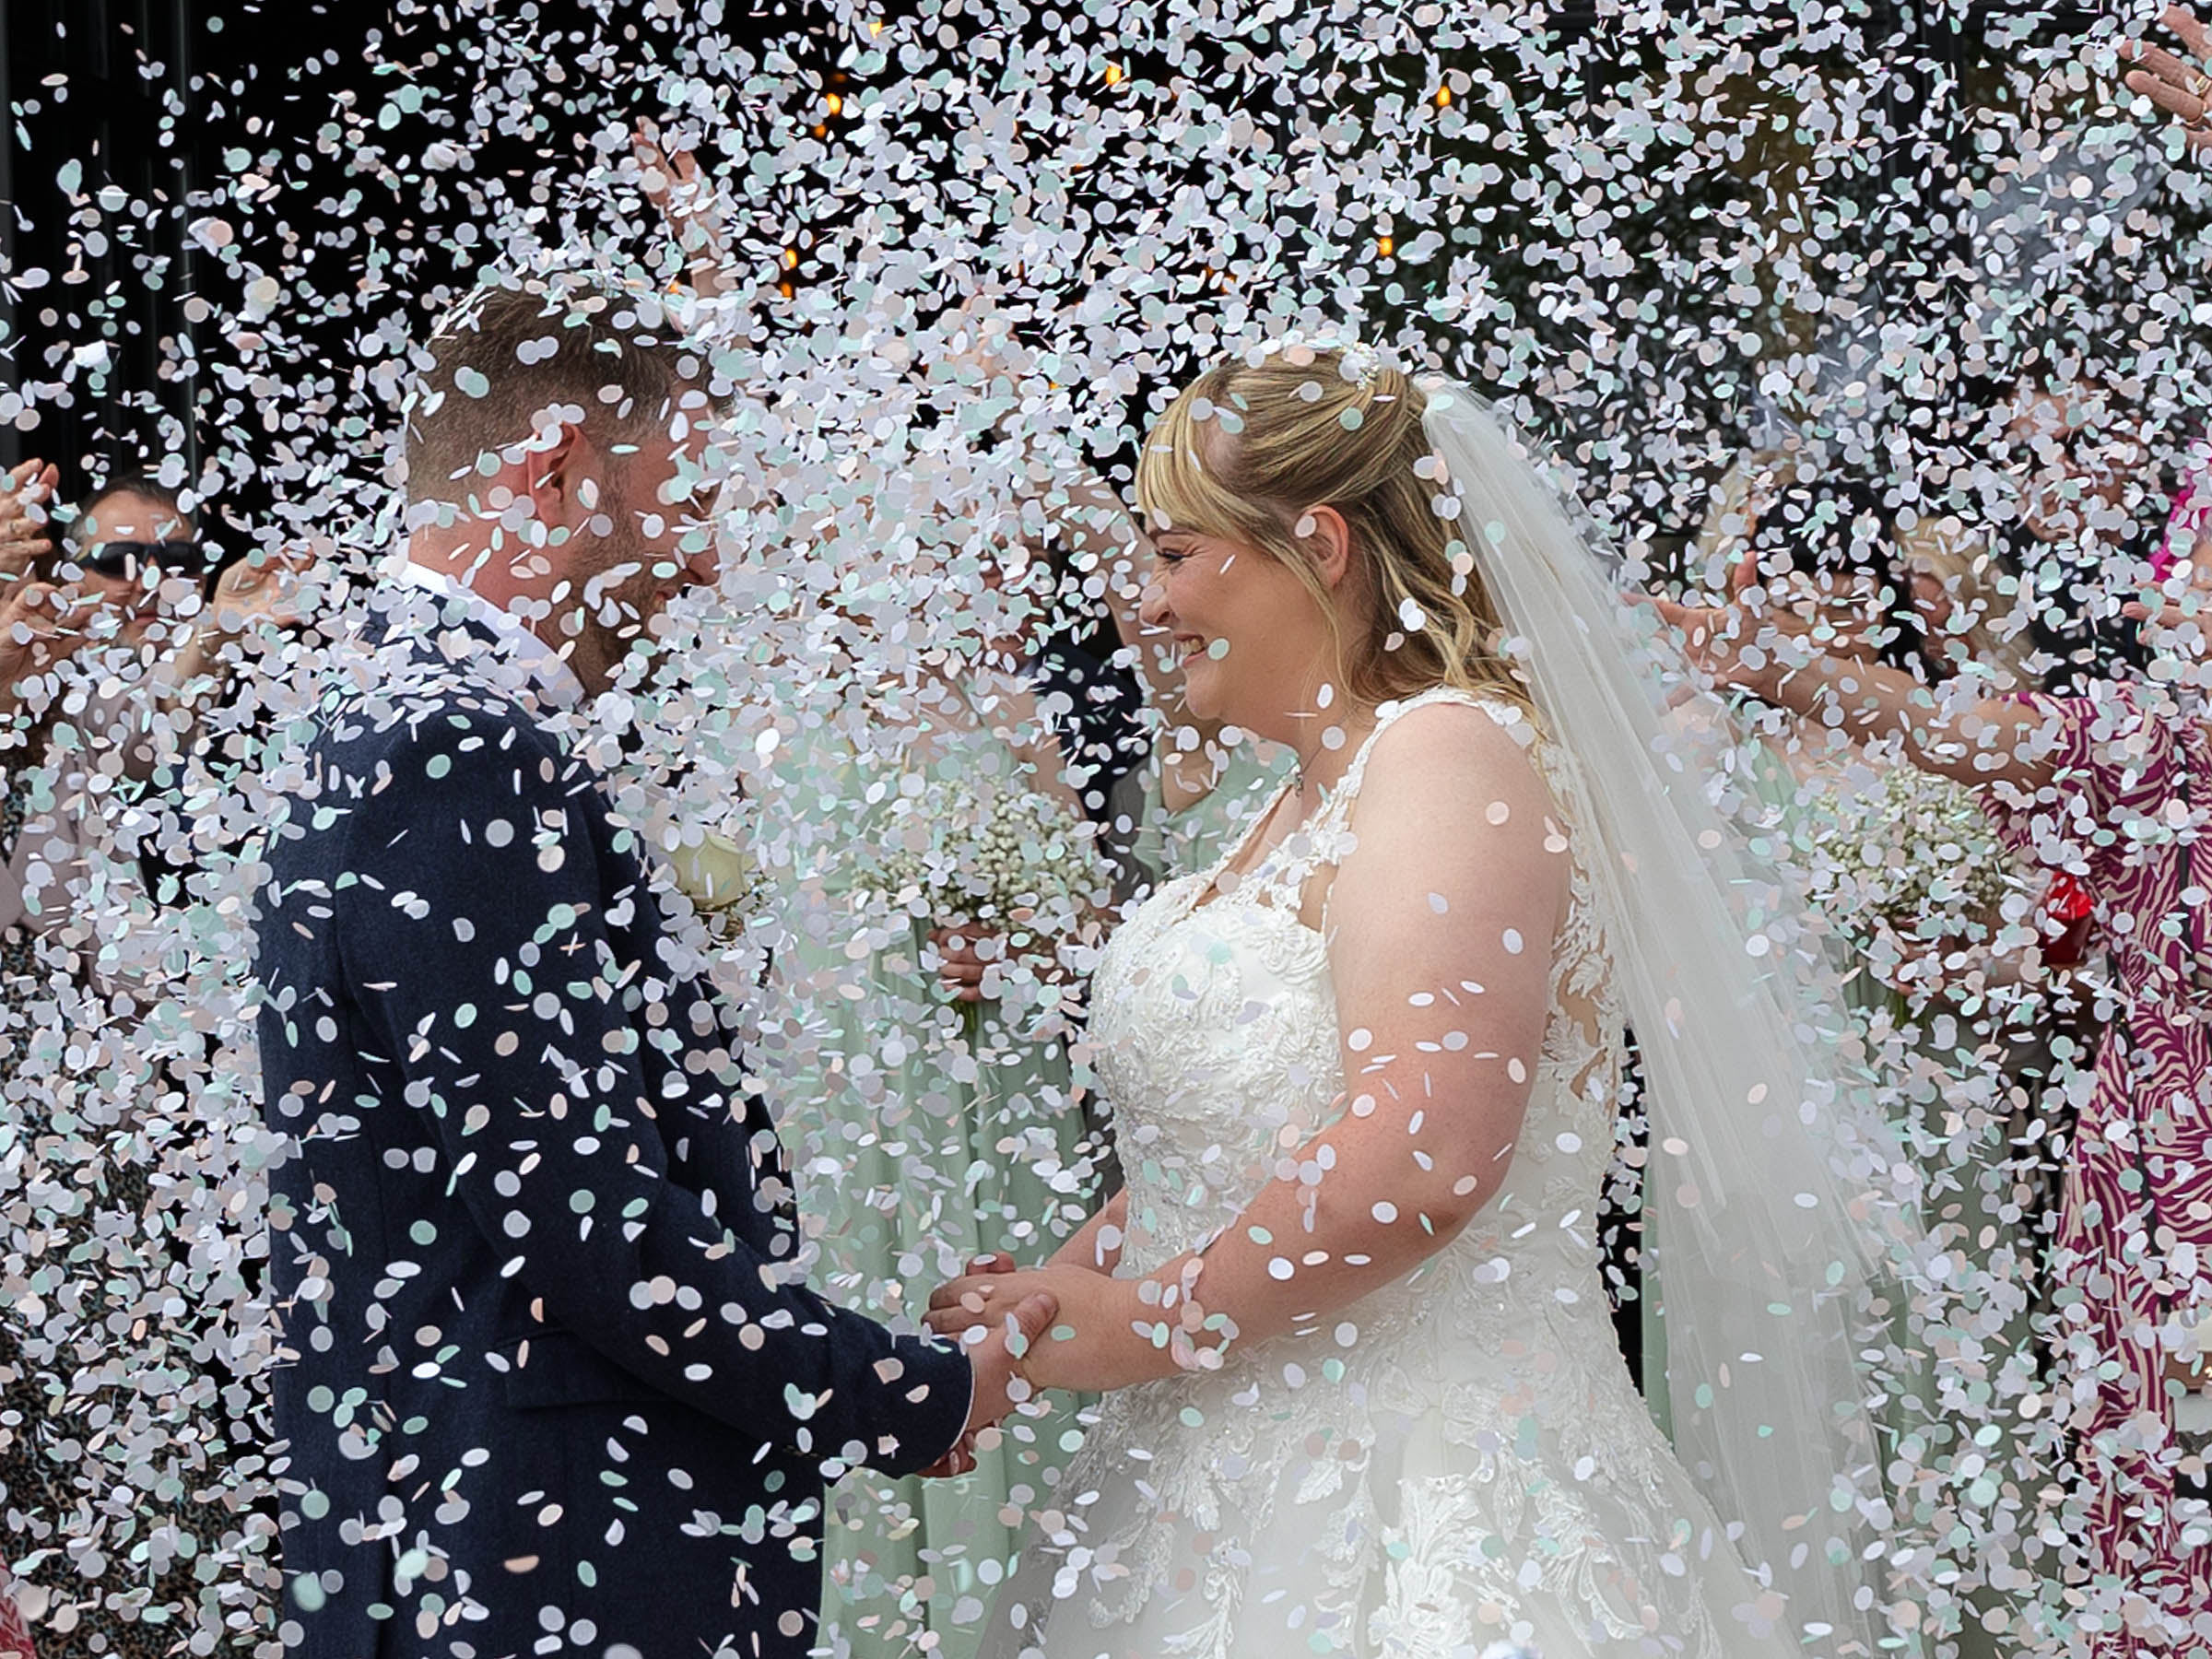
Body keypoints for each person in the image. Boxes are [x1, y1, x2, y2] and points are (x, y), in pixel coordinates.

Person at [924, 343, 1924, 1658]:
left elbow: (1428, 1149)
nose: (1148, 607)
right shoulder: (1298, 796)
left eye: (1175, 556)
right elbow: (1245, 1141)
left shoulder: (1449, 759)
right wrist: (1058, 1295)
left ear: (1321, 545)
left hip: (1421, 1507)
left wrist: (1155, 1326)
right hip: (1206, 1484)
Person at [252, 274, 1056, 1659]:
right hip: (536, 1547)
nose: (705, 560)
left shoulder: (386, 709)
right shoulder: (456, 746)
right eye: (686, 499)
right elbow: (581, 1225)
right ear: (554, 472)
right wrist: (909, 1393)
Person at [1653, 559, 2212, 1650]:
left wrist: (1765, 657)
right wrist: (1774, 660)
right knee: (2166, 1483)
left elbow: (1961, 742)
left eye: (2192, 576)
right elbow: (1963, 744)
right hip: (2161, 1168)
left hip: (2168, 1158)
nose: (2167, 601)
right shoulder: (2154, 743)